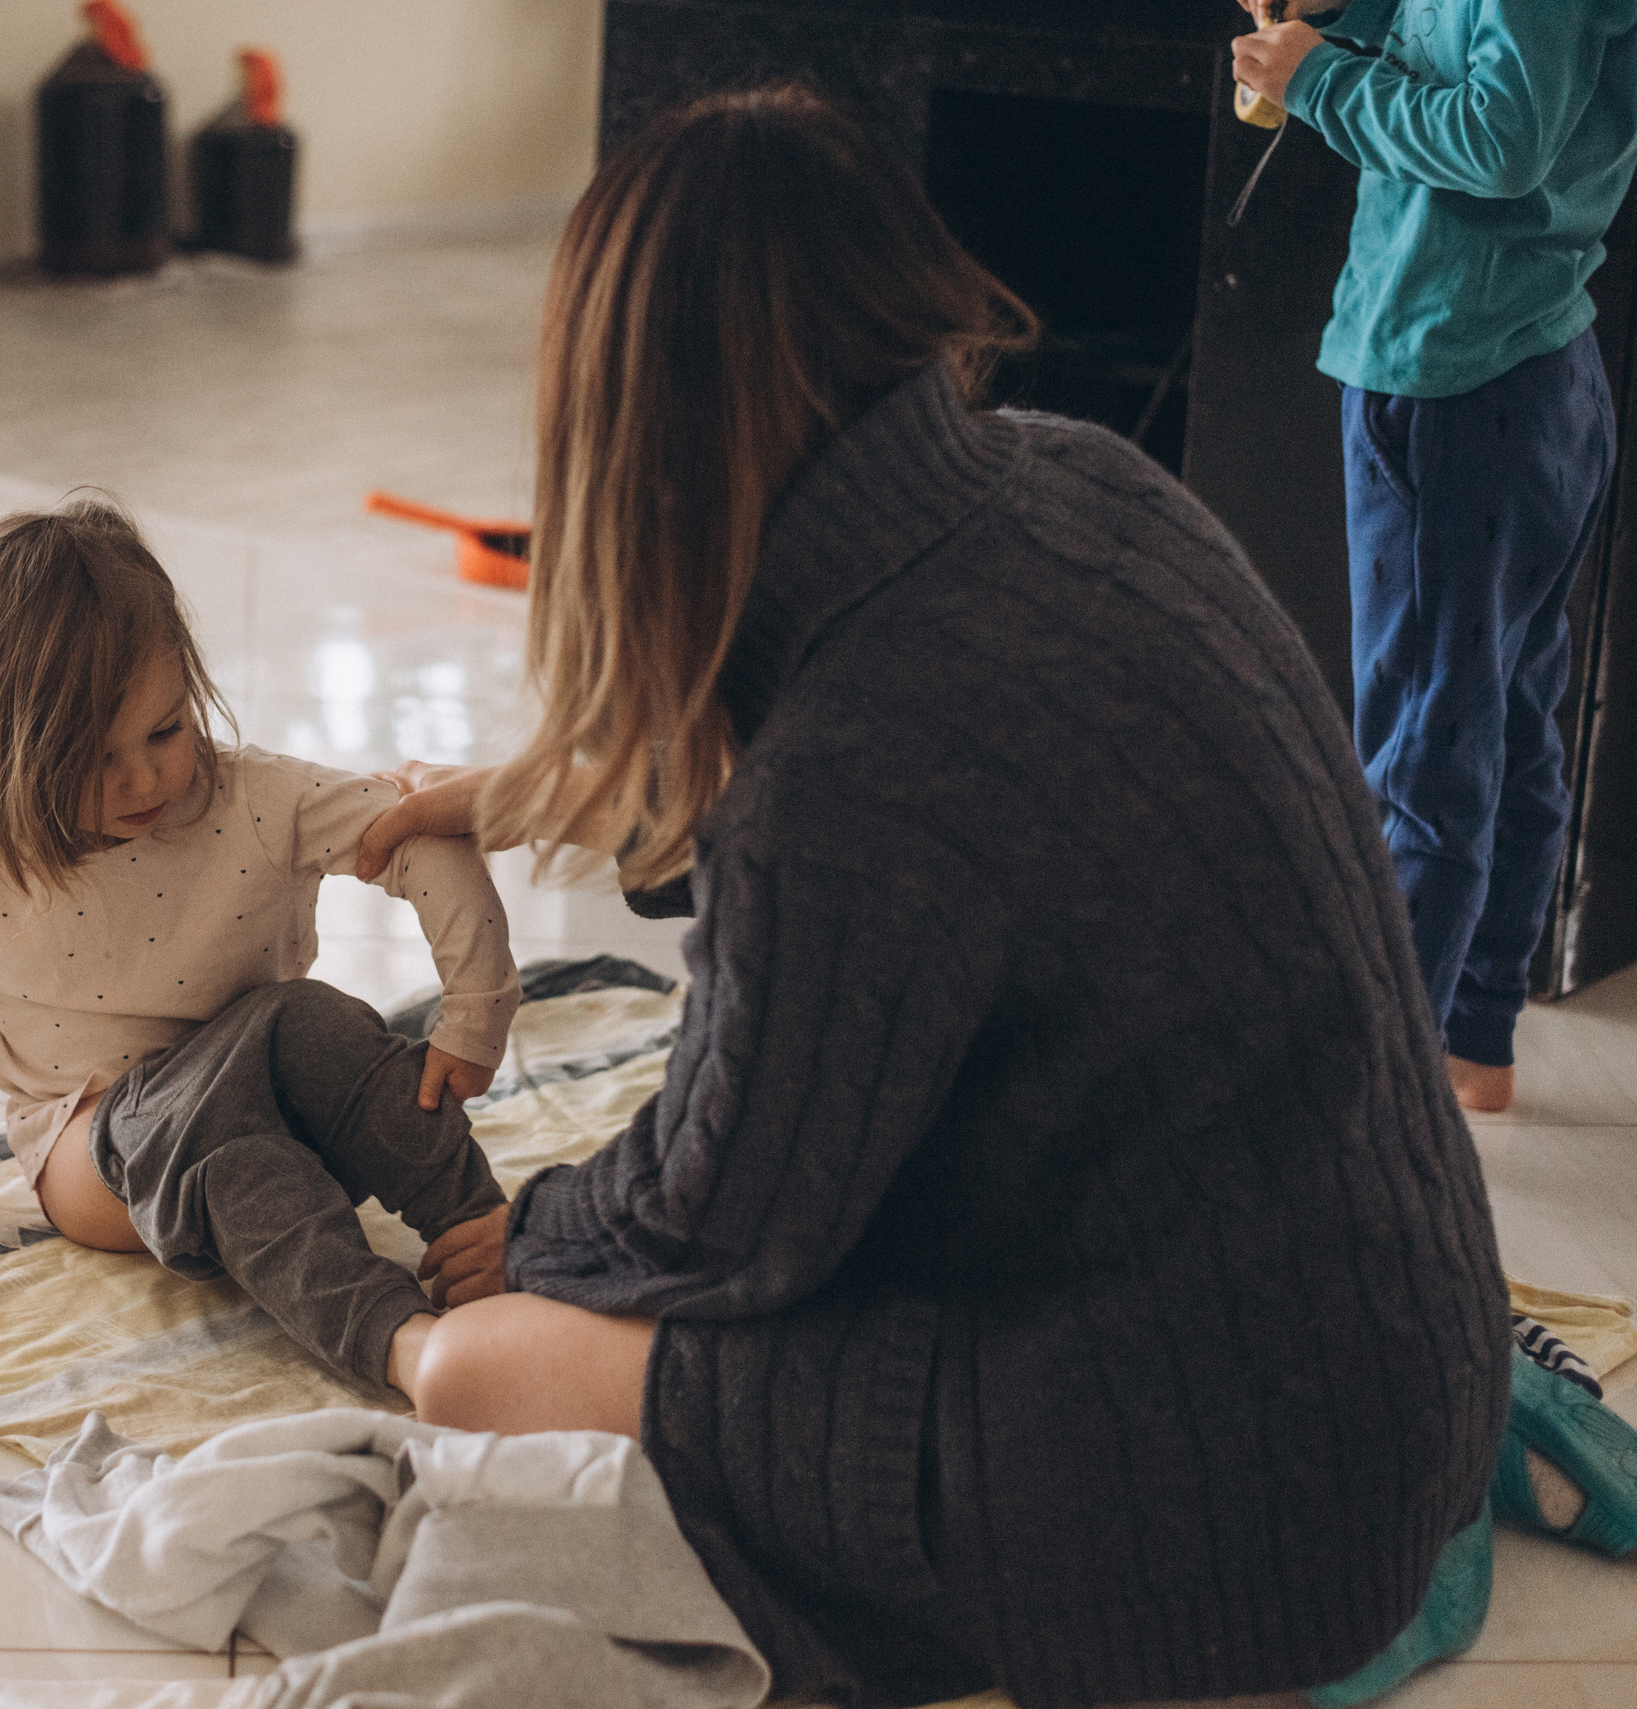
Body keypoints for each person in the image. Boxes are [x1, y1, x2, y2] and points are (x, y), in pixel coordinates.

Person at [351, 85, 1549, 1709]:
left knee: (486, 1369)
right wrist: (510, 787)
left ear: (624, 426)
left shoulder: (848, 771)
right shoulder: (1082, 482)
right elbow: (850, 784)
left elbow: (723, 1220)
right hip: (1407, 1362)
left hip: (1231, 1512)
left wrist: (536, 1230)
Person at [0, 498, 520, 1398]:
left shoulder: (252, 798)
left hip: (265, 1085)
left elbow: (415, 830)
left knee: (312, 1018)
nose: (144, 777)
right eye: (90, 758)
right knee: (218, 1139)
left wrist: (476, 1008)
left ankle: (483, 1227)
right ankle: (399, 1342)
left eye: (165, 730)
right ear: (6, 752)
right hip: (92, 1147)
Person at [1233, 0, 1637, 1113]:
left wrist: (1316, 79)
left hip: (1453, 372)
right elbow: (1476, 60)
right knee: (1497, 716)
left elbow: (1500, 145)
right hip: (1517, 363)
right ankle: (1469, 1037)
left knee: (1422, 746)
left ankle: (1374, 1088)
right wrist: (1342, 21)